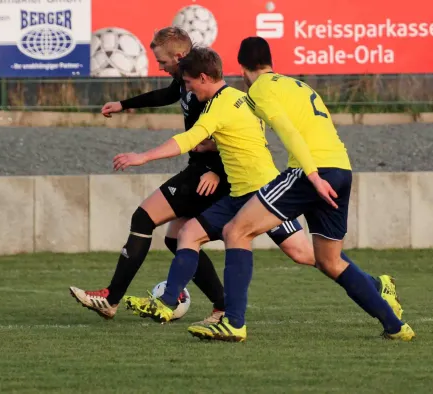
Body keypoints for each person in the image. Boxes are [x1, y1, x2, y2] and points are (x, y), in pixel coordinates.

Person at [111, 47, 408, 342]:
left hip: (263, 187)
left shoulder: (235, 98)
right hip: (240, 192)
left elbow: (190, 138)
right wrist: (215, 151)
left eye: (188, 83)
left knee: (303, 253)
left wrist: (143, 157)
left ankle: (375, 286)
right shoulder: (249, 96)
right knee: (188, 233)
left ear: (206, 77)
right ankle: (168, 302)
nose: (185, 89)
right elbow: (244, 135)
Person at [189, 36, 415, 342]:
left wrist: (312, 175)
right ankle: (396, 326)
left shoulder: (260, 89)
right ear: (270, 61)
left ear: (242, 68)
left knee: (235, 231)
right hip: (341, 170)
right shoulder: (298, 85)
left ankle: (233, 322)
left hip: (312, 172)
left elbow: (288, 130)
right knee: (329, 261)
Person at [69, 27, 229, 325]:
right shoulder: (185, 81)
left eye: (162, 61)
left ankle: (111, 298)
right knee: (178, 239)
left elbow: (233, 134)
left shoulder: (208, 89)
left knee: (144, 218)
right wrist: (124, 105)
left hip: (206, 173)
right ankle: (222, 306)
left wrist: (216, 171)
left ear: (181, 57)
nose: (160, 66)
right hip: (199, 169)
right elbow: (166, 94)